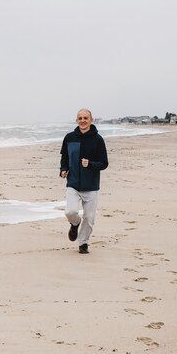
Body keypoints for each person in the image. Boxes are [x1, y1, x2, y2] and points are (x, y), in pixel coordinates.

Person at [59, 108, 109, 254]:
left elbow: (104, 163)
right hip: (73, 184)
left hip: (91, 186)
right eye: (80, 118)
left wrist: (91, 164)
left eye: (85, 118)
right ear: (77, 121)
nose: (83, 121)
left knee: (89, 217)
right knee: (71, 212)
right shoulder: (69, 137)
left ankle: (83, 243)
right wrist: (63, 169)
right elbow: (65, 157)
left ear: (91, 120)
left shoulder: (98, 140)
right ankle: (75, 223)